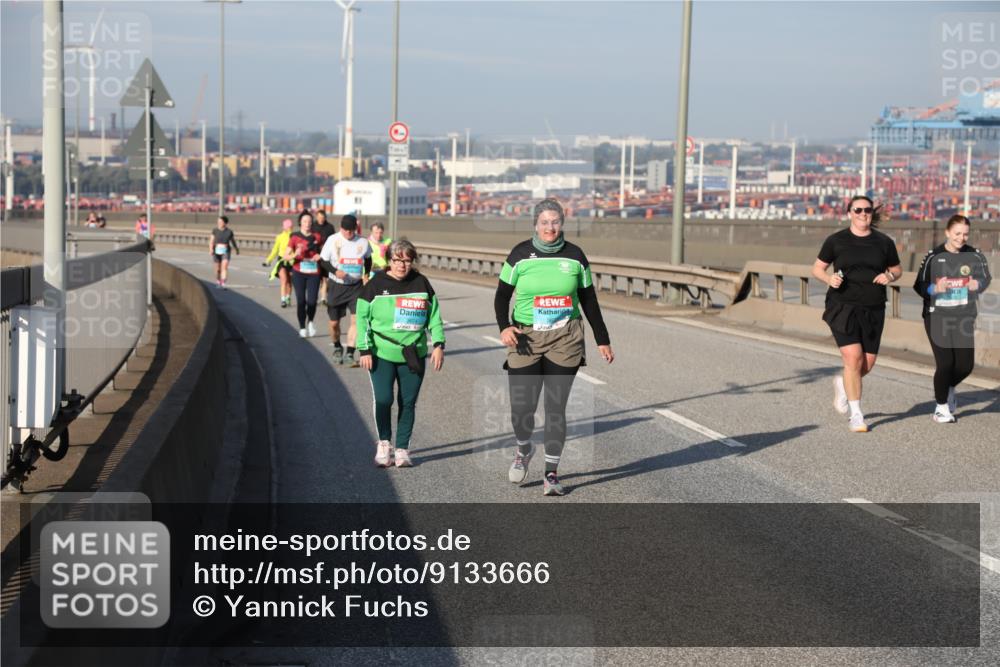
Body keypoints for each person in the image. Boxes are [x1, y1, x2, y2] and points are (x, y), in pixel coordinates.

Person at [494, 198, 614, 496]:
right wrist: (504, 327)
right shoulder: (520, 255)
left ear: (563, 223)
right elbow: (501, 296)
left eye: (555, 222)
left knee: (555, 407)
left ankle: (551, 473)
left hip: (565, 337)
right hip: (525, 339)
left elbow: (588, 299)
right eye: (545, 222)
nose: (550, 227)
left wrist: (602, 339)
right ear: (536, 224)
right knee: (522, 408)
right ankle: (523, 449)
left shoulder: (575, 256)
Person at [813, 195, 902, 433]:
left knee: (867, 364)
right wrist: (829, 278)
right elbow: (817, 268)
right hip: (843, 306)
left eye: (868, 210)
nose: (863, 214)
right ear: (849, 212)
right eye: (858, 210)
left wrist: (890, 277)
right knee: (853, 359)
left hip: (874, 308)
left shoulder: (884, 242)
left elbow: (896, 269)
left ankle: (843, 383)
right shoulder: (836, 241)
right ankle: (856, 415)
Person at [356, 239, 445, 467]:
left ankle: (403, 448)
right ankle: (384, 443)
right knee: (384, 399)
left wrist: (438, 344)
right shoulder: (375, 285)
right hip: (381, 352)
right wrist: (364, 349)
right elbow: (362, 318)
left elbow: (434, 316)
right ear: (389, 261)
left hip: (412, 353)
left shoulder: (421, 283)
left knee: (408, 401)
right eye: (397, 260)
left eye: (407, 260)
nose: (402, 265)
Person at [913, 214, 992, 423]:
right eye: (957, 233)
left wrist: (979, 285)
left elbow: (986, 277)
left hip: (964, 317)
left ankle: (948, 388)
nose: (961, 238)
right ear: (948, 232)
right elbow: (918, 285)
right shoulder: (933, 256)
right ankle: (940, 408)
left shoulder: (974, 256)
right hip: (937, 316)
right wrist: (934, 288)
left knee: (965, 366)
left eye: (965, 234)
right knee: (946, 363)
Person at [320, 214, 372, 365]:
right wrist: (335, 271)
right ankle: (337, 346)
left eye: (351, 230)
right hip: (337, 286)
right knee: (334, 323)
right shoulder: (333, 240)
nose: (348, 233)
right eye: (346, 230)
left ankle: (350, 352)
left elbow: (368, 259)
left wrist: (366, 274)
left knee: (356, 320)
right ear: (341, 228)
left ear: (355, 229)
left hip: (355, 287)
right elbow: (323, 261)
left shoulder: (362, 241)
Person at [283, 211, 324, 337]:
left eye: (310, 221)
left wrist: (319, 256)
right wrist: (296, 253)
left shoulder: (317, 237)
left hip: (314, 272)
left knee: (312, 301)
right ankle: (302, 327)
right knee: (301, 301)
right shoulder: (294, 237)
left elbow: (324, 252)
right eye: (305, 221)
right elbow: (286, 256)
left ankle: (310, 321)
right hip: (299, 272)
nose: (307, 224)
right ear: (300, 222)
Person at [263, 218, 295, 308]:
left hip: (292, 261)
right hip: (282, 261)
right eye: (287, 227)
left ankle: (288, 297)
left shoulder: (294, 236)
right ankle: (283, 300)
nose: (288, 228)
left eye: (289, 227)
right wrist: (268, 260)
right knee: (284, 280)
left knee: (289, 281)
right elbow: (275, 250)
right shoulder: (279, 237)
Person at [313, 209, 336, 306]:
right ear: (316, 217)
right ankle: (314, 297)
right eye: (319, 217)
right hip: (314, 255)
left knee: (325, 278)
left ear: (325, 217)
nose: (321, 219)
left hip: (326, 256)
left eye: (323, 218)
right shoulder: (312, 226)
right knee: (316, 278)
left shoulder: (330, 227)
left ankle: (323, 298)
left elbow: (333, 241)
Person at [210, 215, 240, 289]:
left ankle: (223, 283)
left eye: (220, 221)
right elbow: (211, 241)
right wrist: (211, 249)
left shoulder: (229, 232)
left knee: (224, 267)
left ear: (225, 223)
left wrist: (236, 249)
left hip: (226, 251)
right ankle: (218, 281)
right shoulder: (215, 230)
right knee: (218, 269)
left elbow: (233, 241)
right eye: (218, 221)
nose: (219, 223)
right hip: (216, 251)